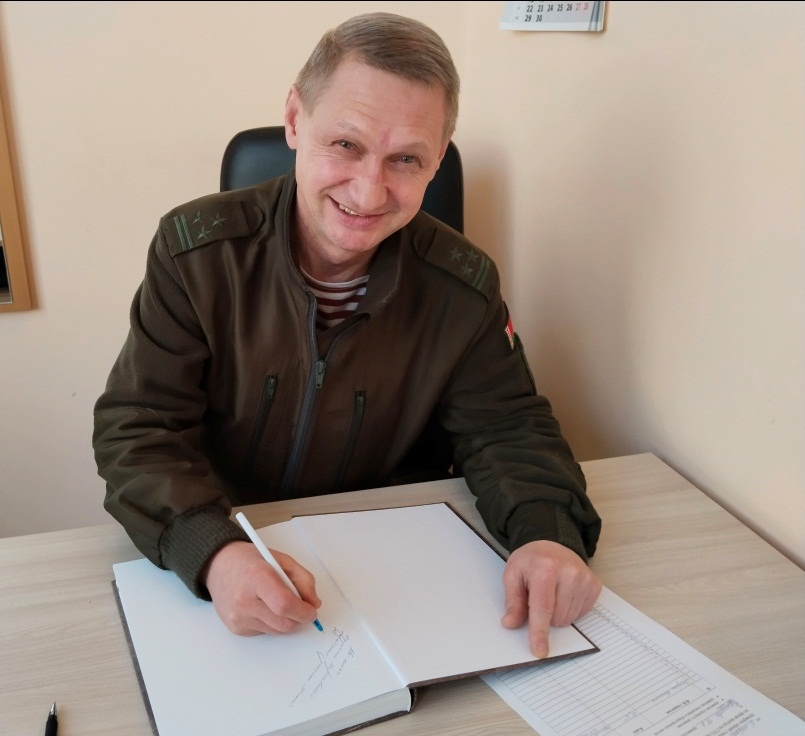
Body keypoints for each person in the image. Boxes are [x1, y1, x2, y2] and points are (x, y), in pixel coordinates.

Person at [93, 11, 602, 659]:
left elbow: (508, 429)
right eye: (345, 144)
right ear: (295, 120)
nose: (368, 190)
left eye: (406, 159)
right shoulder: (194, 252)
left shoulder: (463, 285)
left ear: (437, 157)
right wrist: (211, 550)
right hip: (234, 539)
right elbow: (139, 427)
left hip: (396, 573)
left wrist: (546, 533)